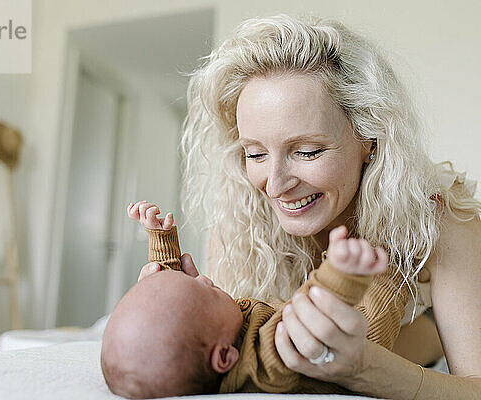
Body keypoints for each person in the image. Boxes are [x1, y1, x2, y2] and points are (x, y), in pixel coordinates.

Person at [136, 14, 481, 399]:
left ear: (369, 138)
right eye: (255, 153)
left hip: (423, 320)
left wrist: (364, 368)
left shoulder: (442, 218)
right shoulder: (243, 215)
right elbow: (232, 346)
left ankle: (429, 337)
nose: (276, 185)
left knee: (417, 337)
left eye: (306, 151)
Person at [101, 203, 387, 398]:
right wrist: (339, 271)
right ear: (225, 357)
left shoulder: (209, 339)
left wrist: (161, 239)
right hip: (361, 337)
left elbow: (176, 302)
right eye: (209, 293)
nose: (204, 279)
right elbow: (314, 314)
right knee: (388, 286)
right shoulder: (266, 364)